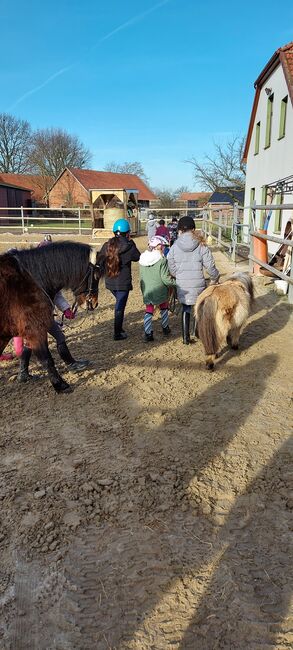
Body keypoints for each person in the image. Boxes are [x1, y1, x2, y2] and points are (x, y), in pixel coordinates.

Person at [168, 216, 219, 345]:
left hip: (182, 284)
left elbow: (170, 265)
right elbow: (210, 265)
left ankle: (185, 338)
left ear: (180, 230)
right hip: (198, 283)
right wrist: (215, 277)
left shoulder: (174, 246)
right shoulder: (201, 245)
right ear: (193, 229)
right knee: (198, 307)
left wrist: (178, 275)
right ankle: (196, 332)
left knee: (186, 307)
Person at [98, 218, 140, 340]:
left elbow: (100, 259)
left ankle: (119, 328)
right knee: (120, 307)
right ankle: (117, 333)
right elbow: (137, 257)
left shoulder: (107, 245)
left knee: (119, 304)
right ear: (127, 233)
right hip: (123, 283)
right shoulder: (129, 246)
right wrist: (132, 243)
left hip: (110, 281)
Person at [139, 236, 176, 342]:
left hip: (147, 289)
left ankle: (148, 333)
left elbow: (141, 278)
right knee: (164, 306)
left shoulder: (142, 259)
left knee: (149, 310)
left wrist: (143, 290)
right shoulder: (162, 260)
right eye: (163, 246)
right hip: (160, 288)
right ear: (158, 247)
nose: (164, 248)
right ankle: (165, 328)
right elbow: (165, 279)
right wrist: (176, 283)